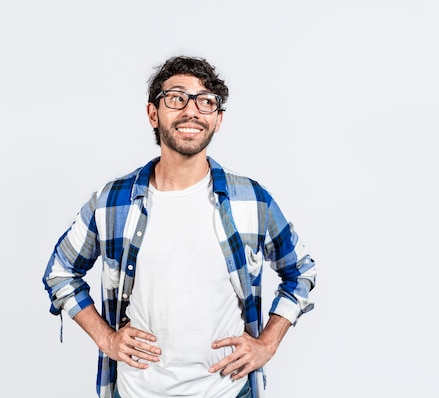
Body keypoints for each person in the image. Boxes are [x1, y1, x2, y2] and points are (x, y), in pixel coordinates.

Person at [42, 55, 317, 398]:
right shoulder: (112, 201)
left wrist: (267, 344)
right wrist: (105, 338)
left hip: (227, 392)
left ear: (218, 119)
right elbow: (60, 272)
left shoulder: (251, 199)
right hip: (136, 392)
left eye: (206, 102)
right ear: (153, 114)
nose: (192, 111)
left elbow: (301, 271)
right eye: (176, 98)